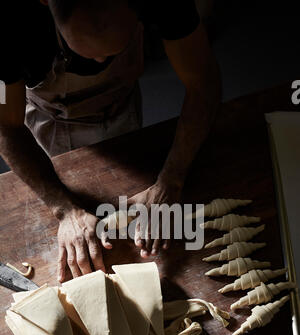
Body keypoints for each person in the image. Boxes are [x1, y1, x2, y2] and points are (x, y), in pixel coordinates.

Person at [0, 0, 221, 282]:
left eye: (112, 50)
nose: (100, 62)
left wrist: (170, 180)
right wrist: (65, 210)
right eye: (86, 49)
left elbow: (203, 81)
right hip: (53, 117)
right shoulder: (8, 28)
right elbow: (6, 128)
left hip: (122, 102)